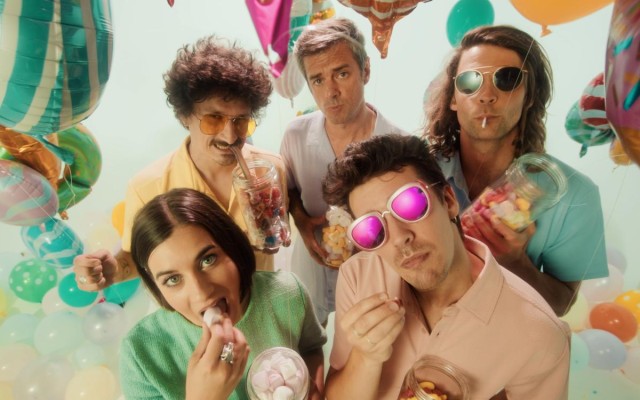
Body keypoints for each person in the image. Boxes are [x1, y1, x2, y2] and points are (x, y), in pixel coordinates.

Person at [321, 134, 570, 400]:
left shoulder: (539, 334)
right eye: (371, 229)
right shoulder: (357, 276)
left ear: (449, 201)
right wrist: (366, 357)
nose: (399, 238)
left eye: (409, 205)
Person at [73, 36, 287, 291]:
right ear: (185, 116)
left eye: (240, 121)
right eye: (214, 118)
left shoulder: (271, 168)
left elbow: (279, 226)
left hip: (263, 302)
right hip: (196, 313)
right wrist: (113, 271)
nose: (230, 136)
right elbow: (138, 259)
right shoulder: (148, 187)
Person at [424, 25, 608, 316]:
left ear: (530, 95)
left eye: (507, 79)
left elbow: (560, 304)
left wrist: (516, 263)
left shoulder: (575, 194)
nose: (486, 96)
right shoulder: (417, 172)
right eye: (470, 81)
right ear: (453, 98)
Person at [119, 188, 326, 400]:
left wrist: (313, 387)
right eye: (173, 279)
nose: (201, 292)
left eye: (207, 260)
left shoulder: (288, 293)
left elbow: (311, 349)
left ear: (232, 247)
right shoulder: (139, 355)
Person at [280, 17, 409, 324]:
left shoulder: (401, 147)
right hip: (310, 268)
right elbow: (289, 188)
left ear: (365, 70)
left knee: (367, 345)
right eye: (318, 80)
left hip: (375, 278)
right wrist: (302, 221)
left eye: (341, 73)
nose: (331, 92)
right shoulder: (295, 136)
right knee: (307, 339)